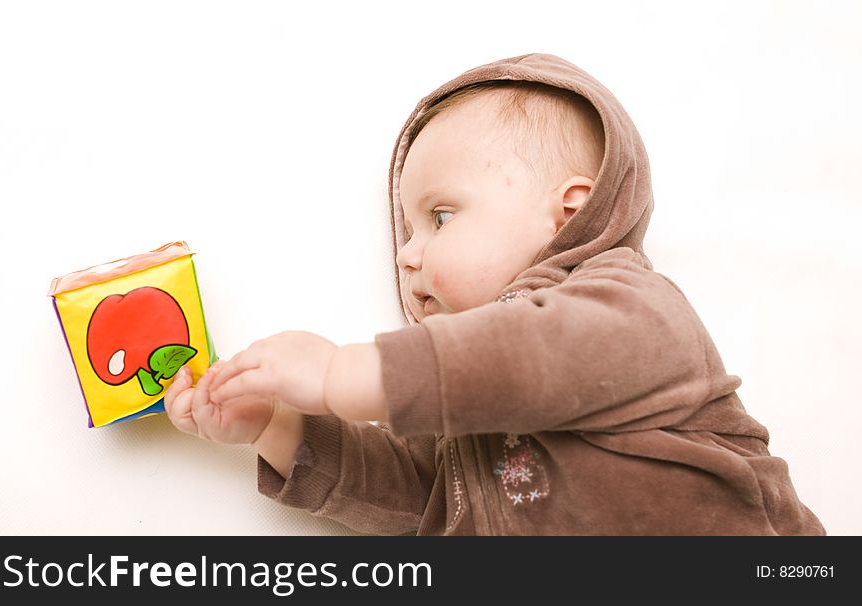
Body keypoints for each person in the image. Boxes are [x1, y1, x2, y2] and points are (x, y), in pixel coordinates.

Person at [164, 53, 825, 535]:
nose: (406, 251)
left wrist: (341, 371)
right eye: (408, 227)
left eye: (441, 216)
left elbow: (531, 352)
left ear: (568, 213)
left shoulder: (633, 306)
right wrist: (278, 429)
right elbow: (414, 497)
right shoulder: (465, 421)